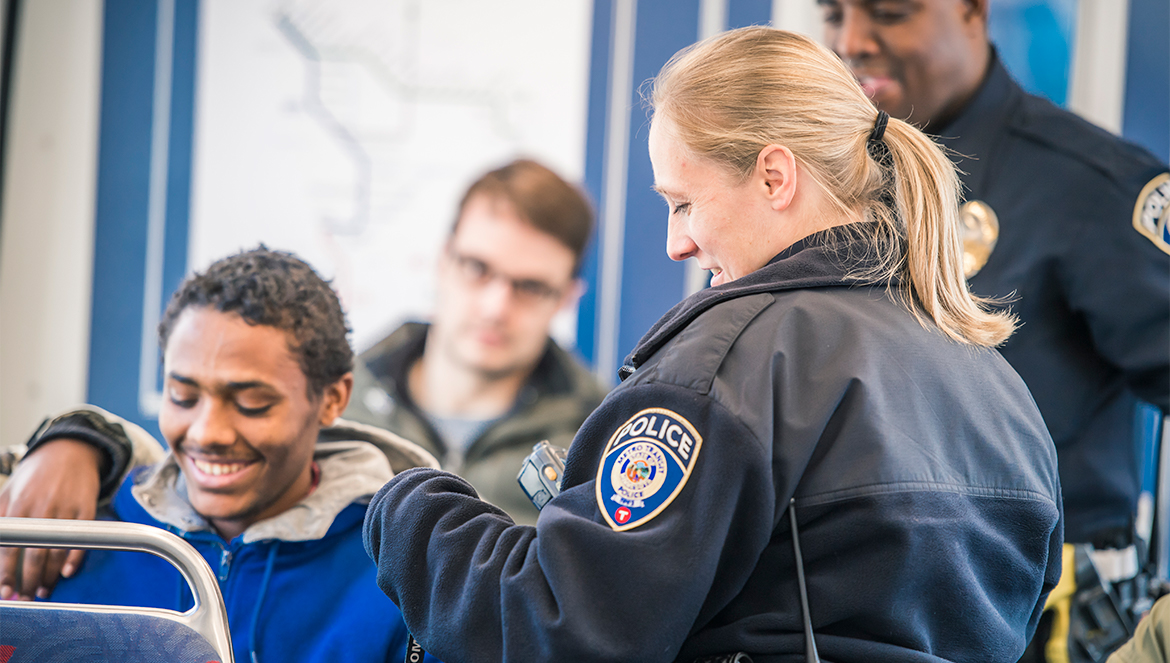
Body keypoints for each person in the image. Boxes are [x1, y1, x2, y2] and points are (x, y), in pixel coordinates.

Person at [361, 27, 1062, 663]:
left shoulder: (730, 363)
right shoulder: (998, 386)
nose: (677, 243)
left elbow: (562, 630)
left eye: (684, 202)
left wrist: (408, 508)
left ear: (774, 176)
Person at [817, 1, 1170, 657]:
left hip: (1041, 619)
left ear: (974, 11)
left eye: (889, 13)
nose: (852, 40)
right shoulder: (816, 181)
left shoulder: (1088, 185)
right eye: (832, 13)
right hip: (856, 612)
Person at [0, 248, 441, 663]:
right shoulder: (73, 539)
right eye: (182, 395)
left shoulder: (406, 573)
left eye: (252, 402)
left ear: (332, 398)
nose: (207, 432)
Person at [344, 158, 608, 523]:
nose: (495, 307)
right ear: (443, 260)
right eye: (477, 268)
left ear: (566, 299)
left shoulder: (598, 445)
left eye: (530, 287)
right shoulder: (336, 406)